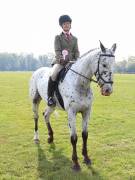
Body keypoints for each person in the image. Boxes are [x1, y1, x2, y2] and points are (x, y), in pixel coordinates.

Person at [47, 15, 80, 106]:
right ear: (62, 25)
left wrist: (77, 60)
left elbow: (76, 51)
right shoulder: (58, 37)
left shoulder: (75, 39)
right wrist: (60, 59)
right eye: (64, 24)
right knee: (53, 74)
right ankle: (50, 97)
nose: (66, 25)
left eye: (68, 24)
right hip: (60, 62)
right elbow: (57, 50)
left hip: (72, 63)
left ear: (70, 25)